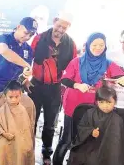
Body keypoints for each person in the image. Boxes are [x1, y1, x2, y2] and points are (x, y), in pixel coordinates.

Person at [53, 32, 124, 165]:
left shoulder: (108, 64)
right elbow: (65, 79)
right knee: (68, 139)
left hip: (94, 110)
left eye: (101, 45)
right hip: (73, 107)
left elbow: (119, 76)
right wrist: (77, 85)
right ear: (88, 45)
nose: (98, 47)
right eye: (95, 45)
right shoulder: (77, 61)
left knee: (88, 139)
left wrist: (121, 79)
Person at [24, 11, 77, 164]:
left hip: (55, 88)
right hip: (36, 85)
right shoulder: (39, 38)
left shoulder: (71, 44)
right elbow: (27, 59)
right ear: (54, 21)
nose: (60, 30)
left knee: (50, 123)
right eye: (59, 25)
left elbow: (73, 67)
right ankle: (28, 149)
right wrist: (25, 80)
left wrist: (68, 88)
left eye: (64, 28)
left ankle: (46, 152)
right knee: (30, 120)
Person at [0, 80, 35, 165]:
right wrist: (4, 134)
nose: (13, 100)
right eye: (11, 97)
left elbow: (27, 127)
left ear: (20, 96)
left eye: (16, 97)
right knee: (1, 148)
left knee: (22, 148)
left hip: (21, 136)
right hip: (3, 135)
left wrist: (18, 136)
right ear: (5, 96)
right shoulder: (2, 109)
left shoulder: (23, 110)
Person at [68, 85, 124, 165]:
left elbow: (118, 142)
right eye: (101, 102)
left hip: (109, 151)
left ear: (115, 102)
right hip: (90, 147)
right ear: (97, 102)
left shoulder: (118, 119)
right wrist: (90, 131)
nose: (105, 106)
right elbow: (81, 128)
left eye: (109, 102)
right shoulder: (89, 113)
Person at [0, 17, 37, 101]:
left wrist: (25, 79)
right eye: (26, 32)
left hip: (15, 93)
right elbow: (3, 50)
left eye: (31, 35)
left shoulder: (28, 49)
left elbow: (24, 73)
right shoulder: (4, 38)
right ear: (18, 27)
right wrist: (25, 64)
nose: (28, 37)